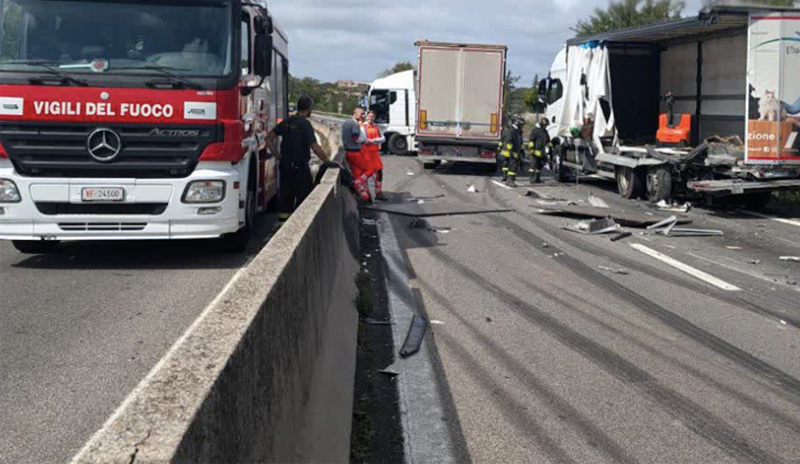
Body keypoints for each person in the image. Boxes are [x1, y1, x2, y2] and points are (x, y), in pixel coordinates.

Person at [265, 95, 332, 229]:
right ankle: (298, 227)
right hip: (300, 168)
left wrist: (277, 155)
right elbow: (315, 146)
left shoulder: (287, 122)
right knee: (304, 198)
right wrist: (327, 161)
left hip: (285, 166)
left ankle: (283, 228)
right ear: (309, 109)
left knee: (286, 198)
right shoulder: (305, 124)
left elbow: (268, 138)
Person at [342, 106, 373, 202]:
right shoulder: (354, 124)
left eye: (364, 113)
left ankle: (364, 197)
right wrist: (364, 140)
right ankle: (357, 183)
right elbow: (355, 138)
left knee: (357, 174)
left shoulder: (345, 123)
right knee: (371, 169)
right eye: (361, 113)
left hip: (347, 152)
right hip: (355, 152)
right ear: (355, 113)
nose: (363, 115)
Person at [362, 110, 388, 201]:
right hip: (366, 154)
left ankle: (378, 192)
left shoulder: (376, 127)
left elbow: (383, 138)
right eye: (369, 116)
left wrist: (374, 140)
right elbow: (365, 140)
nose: (371, 118)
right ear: (366, 116)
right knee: (366, 174)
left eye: (372, 117)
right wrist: (376, 140)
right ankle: (364, 193)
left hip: (375, 154)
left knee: (379, 172)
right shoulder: (363, 127)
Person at [501, 116, 525, 188]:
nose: (523, 126)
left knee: (514, 166)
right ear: (518, 124)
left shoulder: (518, 131)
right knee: (512, 166)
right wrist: (510, 151)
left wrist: (522, 151)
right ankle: (510, 181)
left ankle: (510, 180)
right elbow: (509, 141)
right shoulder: (512, 131)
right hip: (512, 152)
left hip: (516, 151)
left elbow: (520, 142)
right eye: (522, 125)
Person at [527, 118, 551, 184]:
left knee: (539, 166)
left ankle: (537, 179)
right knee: (533, 166)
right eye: (545, 125)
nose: (546, 126)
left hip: (542, 152)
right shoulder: (535, 131)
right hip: (535, 151)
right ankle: (531, 179)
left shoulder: (545, 131)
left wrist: (551, 147)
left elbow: (548, 141)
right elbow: (531, 140)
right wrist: (531, 148)